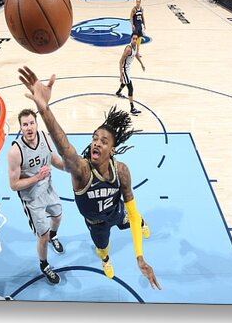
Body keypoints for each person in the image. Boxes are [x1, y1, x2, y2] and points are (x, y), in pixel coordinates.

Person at [17, 66, 161, 289]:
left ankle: (143, 224)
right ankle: (105, 260)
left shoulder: (121, 170)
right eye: (95, 138)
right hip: (96, 224)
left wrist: (139, 257)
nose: (96, 142)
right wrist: (44, 110)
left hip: (116, 212)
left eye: (104, 141)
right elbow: (65, 149)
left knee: (132, 219)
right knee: (102, 249)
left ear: (112, 150)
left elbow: (131, 211)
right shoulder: (82, 171)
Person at [7, 109, 66, 285]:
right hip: (31, 198)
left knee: (57, 216)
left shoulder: (44, 137)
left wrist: (69, 167)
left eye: (31, 123)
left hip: (48, 188)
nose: (29, 127)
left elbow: (53, 158)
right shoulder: (15, 152)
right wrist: (36, 178)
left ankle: (54, 236)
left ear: (36, 124)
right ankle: (44, 264)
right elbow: (13, 185)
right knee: (43, 235)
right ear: (21, 128)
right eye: (25, 125)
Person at [115, 33, 145, 115]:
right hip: (124, 68)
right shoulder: (128, 49)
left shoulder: (136, 46)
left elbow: (136, 55)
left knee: (126, 81)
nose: (135, 40)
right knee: (130, 88)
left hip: (128, 68)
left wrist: (141, 64)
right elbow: (120, 61)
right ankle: (132, 108)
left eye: (136, 39)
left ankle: (118, 92)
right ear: (131, 39)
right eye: (133, 39)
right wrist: (121, 74)